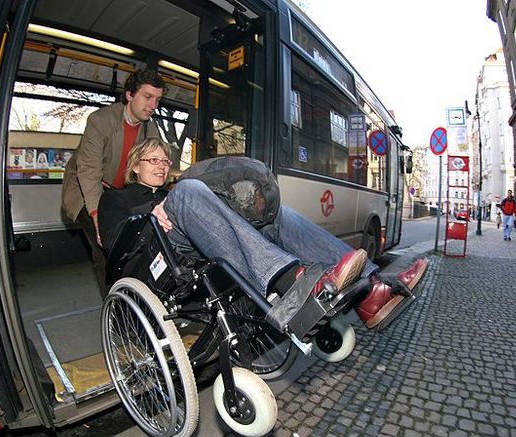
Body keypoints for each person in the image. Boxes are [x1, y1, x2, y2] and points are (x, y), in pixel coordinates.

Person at [98, 138, 429, 330]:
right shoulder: (116, 197)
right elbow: (115, 244)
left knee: (273, 215)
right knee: (187, 192)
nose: (160, 164)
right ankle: (291, 285)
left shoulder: (179, 192)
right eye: (151, 159)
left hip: (195, 253)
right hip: (154, 263)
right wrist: (149, 215)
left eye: (164, 159)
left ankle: (371, 292)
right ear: (133, 165)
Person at [61, 69, 165, 296]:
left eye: (157, 99)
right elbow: (88, 171)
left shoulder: (151, 129)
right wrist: (98, 217)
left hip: (119, 193)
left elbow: (156, 164)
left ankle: (140, 298)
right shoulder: (100, 121)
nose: (153, 105)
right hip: (87, 189)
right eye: (147, 97)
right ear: (129, 95)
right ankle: (116, 309)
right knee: (107, 248)